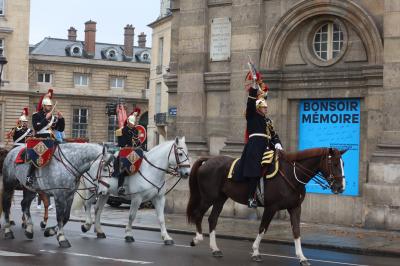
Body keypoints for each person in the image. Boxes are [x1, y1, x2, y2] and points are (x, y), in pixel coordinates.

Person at [238, 79, 283, 209]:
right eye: (264, 107)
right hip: (255, 147)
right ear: (258, 107)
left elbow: (273, 135)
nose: (266, 109)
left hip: (267, 147)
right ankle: (251, 197)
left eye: (266, 107)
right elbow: (250, 103)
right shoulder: (252, 116)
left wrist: (278, 144)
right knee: (254, 171)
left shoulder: (268, 120)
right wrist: (253, 87)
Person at [26, 90, 65, 186]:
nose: (50, 107)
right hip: (39, 139)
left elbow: (60, 128)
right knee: (37, 155)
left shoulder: (52, 117)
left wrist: (61, 119)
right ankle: (29, 176)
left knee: (61, 153)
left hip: (51, 139)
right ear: (43, 106)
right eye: (48, 106)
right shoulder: (36, 115)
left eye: (51, 106)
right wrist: (46, 119)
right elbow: (36, 127)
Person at [113, 107, 141, 195]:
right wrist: (127, 145)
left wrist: (138, 143)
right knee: (121, 164)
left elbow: (137, 141)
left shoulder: (136, 130)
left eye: (134, 123)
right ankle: (119, 185)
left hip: (133, 151)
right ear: (128, 122)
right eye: (132, 123)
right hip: (124, 150)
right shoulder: (122, 131)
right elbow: (121, 143)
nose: (133, 124)